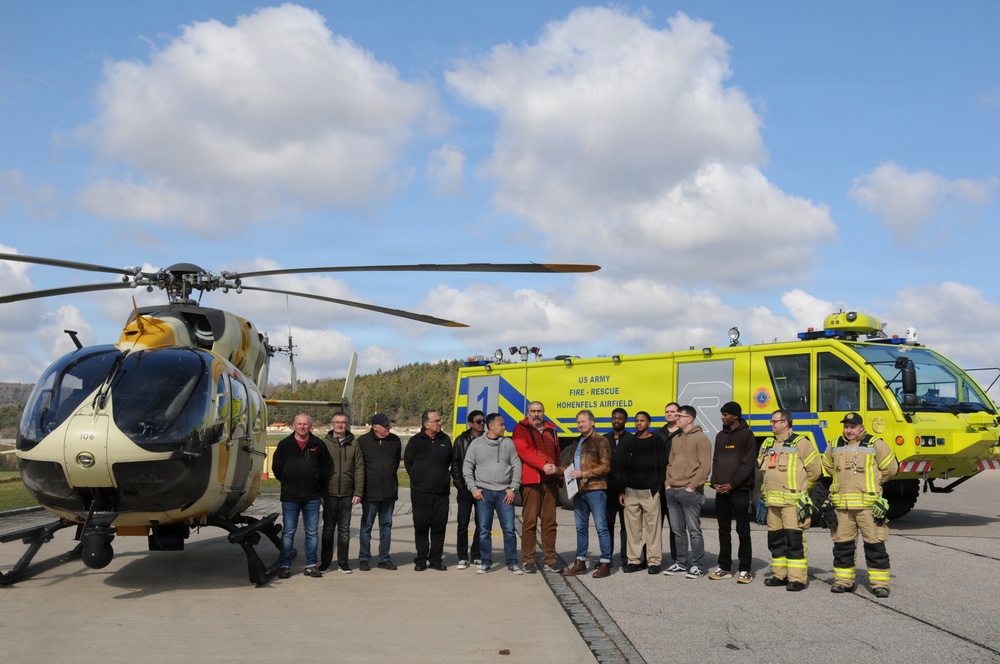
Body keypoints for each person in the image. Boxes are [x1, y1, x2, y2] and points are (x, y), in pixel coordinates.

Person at [823, 412, 898, 598]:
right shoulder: (834, 444)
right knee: (842, 546)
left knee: (875, 546)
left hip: (868, 507)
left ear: (861, 427)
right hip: (843, 507)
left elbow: (890, 468)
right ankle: (842, 582)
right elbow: (827, 465)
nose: (849, 430)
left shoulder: (875, 444)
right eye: (846, 427)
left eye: (852, 427)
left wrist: (875, 482)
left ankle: (880, 585)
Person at [759, 409, 822, 591]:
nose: (771, 424)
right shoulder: (768, 443)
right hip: (772, 502)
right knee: (776, 540)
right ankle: (779, 575)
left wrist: (803, 489)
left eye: (774, 421)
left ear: (785, 423)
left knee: (794, 540)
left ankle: (797, 579)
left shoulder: (801, 443)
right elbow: (762, 467)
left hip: (793, 503)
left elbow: (815, 471)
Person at [272, 412, 332, 579]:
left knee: (312, 532)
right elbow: (277, 468)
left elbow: (326, 468)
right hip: (290, 497)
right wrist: (288, 481)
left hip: (312, 497)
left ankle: (311, 564)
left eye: (305, 424)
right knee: (288, 531)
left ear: (310, 426)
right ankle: (285, 564)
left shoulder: (318, 445)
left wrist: (319, 489)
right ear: (294, 425)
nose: (302, 427)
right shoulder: (285, 444)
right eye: (299, 424)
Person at [463, 413, 523, 574]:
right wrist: (473, 488)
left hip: (504, 493)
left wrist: (513, 488)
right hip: (484, 493)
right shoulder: (476, 444)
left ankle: (512, 562)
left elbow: (517, 465)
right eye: (502, 425)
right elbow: (467, 467)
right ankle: (485, 562)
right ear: (492, 426)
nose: (505, 428)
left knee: (509, 530)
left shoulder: (508, 443)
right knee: (484, 530)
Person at [708, 402, 757, 584]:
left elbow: (748, 464)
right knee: (723, 530)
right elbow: (716, 461)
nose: (722, 417)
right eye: (722, 414)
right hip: (721, 491)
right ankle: (725, 566)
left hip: (739, 490)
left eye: (726, 414)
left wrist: (732, 484)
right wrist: (714, 482)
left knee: (742, 530)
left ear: (736, 416)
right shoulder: (720, 436)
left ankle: (745, 568)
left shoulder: (747, 435)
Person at [561, 409, 613, 578]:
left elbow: (606, 466)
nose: (581, 424)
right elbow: (571, 468)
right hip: (579, 490)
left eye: (584, 421)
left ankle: (605, 562)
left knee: (601, 527)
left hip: (595, 490)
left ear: (592, 422)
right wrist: (555, 469)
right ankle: (580, 561)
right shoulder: (577, 442)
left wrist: (583, 473)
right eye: (578, 422)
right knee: (581, 528)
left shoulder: (601, 441)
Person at [662, 405, 712, 579]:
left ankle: (697, 565)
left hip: (691, 492)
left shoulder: (701, 438)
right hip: (672, 490)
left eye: (679, 416)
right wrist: (668, 483)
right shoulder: (676, 438)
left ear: (689, 418)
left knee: (694, 530)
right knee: (677, 530)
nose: (676, 418)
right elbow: (670, 463)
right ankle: (681, 563)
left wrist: (692, 487)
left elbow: (705, 466)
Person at [512, 401, 562, 573]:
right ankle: (529, 559)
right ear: (528, 413)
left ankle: (550, 559)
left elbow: (557, 453)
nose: (536, 414)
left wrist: (557, 471)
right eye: (533, 411)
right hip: (531, 482)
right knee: (530, 521)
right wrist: (543, 465)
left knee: (549, 522)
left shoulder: (552, 430)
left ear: (544, 412)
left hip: (550, 482)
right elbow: (523, 451)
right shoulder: (520, 429)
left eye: (539, 411)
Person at [617, 411, 668, 574]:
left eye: (642, 421)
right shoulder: (630, 442)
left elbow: (662, 466)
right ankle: (634, 560)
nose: (639, 423)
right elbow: (622, 468)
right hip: (631, 491)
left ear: (649, 423)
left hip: (650, 491)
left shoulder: (656, 441)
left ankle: (654, 562)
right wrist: (622, 491)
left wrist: (658, 486)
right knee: (633, 529)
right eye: (637, 421)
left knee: (653, 528)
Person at [404, 409, 453, 571]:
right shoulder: (415, 441)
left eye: (440, 420)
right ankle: (420, 560)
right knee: (421, 527)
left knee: (439, 527)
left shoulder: (445, 440)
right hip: (421, 493)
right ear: (426, 424)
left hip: (441, 493)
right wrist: (419, 479)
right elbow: (409, 463)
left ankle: (436, 560)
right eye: (437, 421)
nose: (440, 423)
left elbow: (449, 461)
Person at [320, 411, 365, 574]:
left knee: (344, 531)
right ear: (332, 424)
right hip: (328, 494)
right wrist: (320, 493)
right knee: (328, 530)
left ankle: (343, 563)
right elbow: (318, 469)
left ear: (347, 424)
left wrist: (358, 492)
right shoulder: (323, 444)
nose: (340, 425)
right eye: (337, 422)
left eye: (343, 422)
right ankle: (325, 563)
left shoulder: (354, 444)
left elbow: (360, 469)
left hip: (347, 494)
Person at [357, 413, 402, 571]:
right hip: (370, 493)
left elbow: (395, 463)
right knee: (366, 526)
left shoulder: (395, 441)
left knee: (386, 526)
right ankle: (364, 558)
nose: (388, 428)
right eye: (385, 425)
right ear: (375, 427)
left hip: (389, 492)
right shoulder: (362, 442)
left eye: (389, 425)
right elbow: (359, 466)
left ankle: (384, 558)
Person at [450, 410, 484, 570]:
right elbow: (455, 464)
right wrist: (461, 485)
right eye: (478, 421)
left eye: (483, 421)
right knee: (462, 523)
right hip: (465, 490)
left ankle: (476, 554)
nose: (482, 424)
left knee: (481, 523)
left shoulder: (487, 439)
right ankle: (462, 556)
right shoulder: (460, 440)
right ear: (470, 423)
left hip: (482, 489)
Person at [652, 402, 681, 566]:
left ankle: (677, 558)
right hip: (658, 485)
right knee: (654, 525)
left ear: (678, 415)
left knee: (675, 525)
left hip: (676, 485)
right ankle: (653, 558)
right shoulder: (657, 434)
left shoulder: (683, 434)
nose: (669, 414)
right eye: (667, 411)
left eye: (672, 411)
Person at [604, 407, 633, 566]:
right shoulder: (604, 439)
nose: (617, 421)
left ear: (625, 420)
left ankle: (625, 558)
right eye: (614, 418)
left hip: (626, 492)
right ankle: (606, 558)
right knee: (607, 525)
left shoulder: (631, 439)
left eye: (620, 418)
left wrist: (625, 489)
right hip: (607, 491)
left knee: (625, 526)